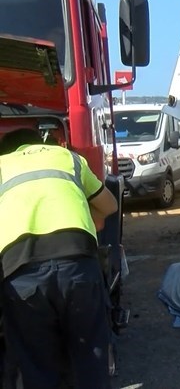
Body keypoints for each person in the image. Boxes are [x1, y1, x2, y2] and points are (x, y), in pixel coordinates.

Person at [0, 128, 118, 388]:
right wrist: (84, 213)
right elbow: (110, 206)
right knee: (91, 354)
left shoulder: (2, 165)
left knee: (38, 363)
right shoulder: (67, 158)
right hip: (78, 265)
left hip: (21, 273)